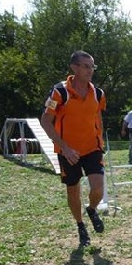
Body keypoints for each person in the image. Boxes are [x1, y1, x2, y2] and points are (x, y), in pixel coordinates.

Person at [40, 50, 107, 248]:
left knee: (98, 189)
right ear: (74, 67)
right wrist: (65, 148)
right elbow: (45, 121)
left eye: (92, 66)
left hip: (92, 148)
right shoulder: (60, 92)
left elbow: (98, 117)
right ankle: (80, 226)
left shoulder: (98, 93)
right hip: (67, 152)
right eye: (86, 66)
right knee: (73, 191)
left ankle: (92, 209)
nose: (90, 70)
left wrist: (100, 141)